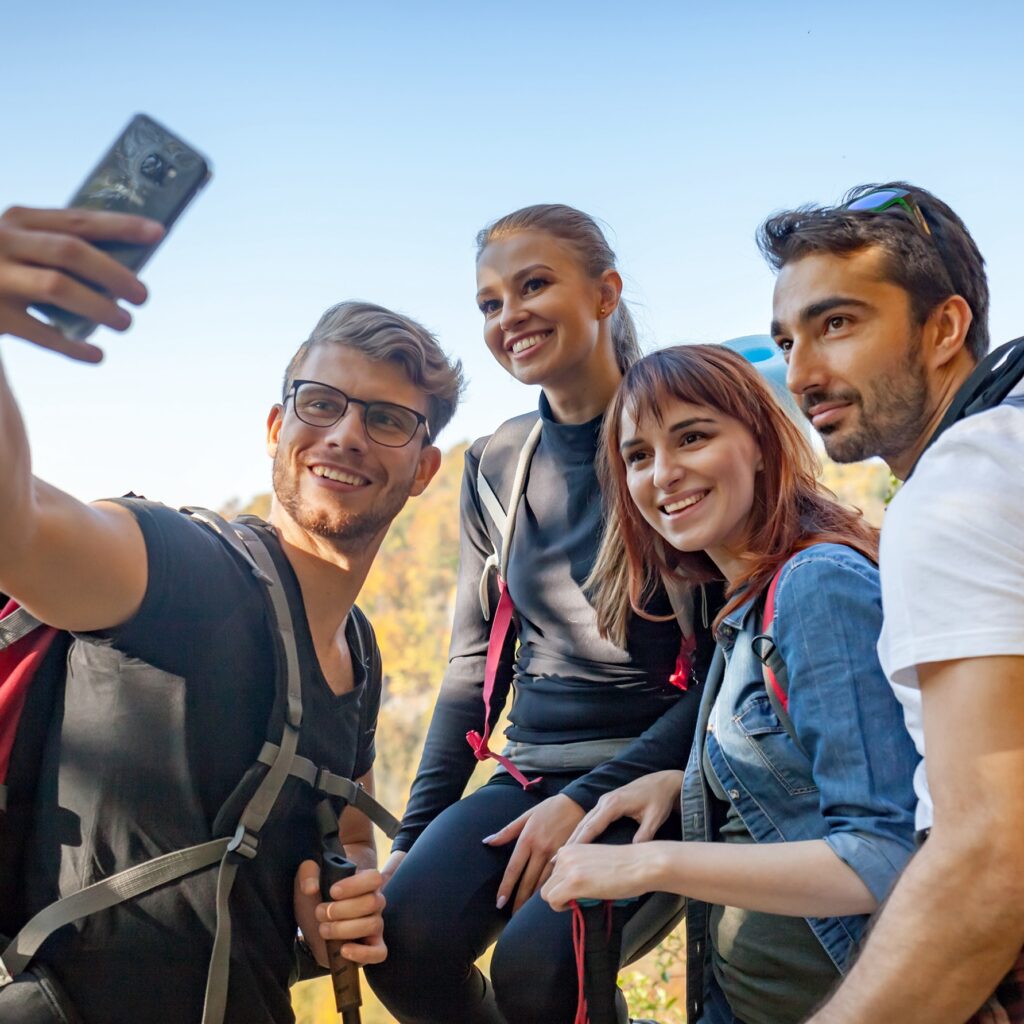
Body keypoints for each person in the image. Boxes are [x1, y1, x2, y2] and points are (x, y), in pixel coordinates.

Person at [0, 204, 463, 1023]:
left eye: (385, 420)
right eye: (322, 404)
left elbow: (349, 839)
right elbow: (19, 530)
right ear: (279, 427)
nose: (347, 434)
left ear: (424, 468)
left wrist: (339, 907)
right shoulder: (179, 566)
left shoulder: (358, 653)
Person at [365, 205, 714, 1024]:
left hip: (661, 774)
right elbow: (466, 668)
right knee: (401, 944)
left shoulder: (674, 442)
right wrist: (415, 837)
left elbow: (728, 663)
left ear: (604, 294)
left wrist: (591, 795)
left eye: (533, 286)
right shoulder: (495, 461)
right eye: (489, 302)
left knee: (539, 972)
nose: (508, 316)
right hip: (530, 770)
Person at [541, 344, 919, 1024]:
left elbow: (880, 855)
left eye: (692, 436)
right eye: (638, 456)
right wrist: (692, 781)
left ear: (761, 445)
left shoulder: (815, 586)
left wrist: (653, 864)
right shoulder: (744, 609)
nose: (664, 473)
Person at [760, 183, 1024, 1024]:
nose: (802, 374)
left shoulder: (960, 485)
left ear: (943, 329)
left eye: (837, 324)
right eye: (786, 340)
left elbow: (991, 851)